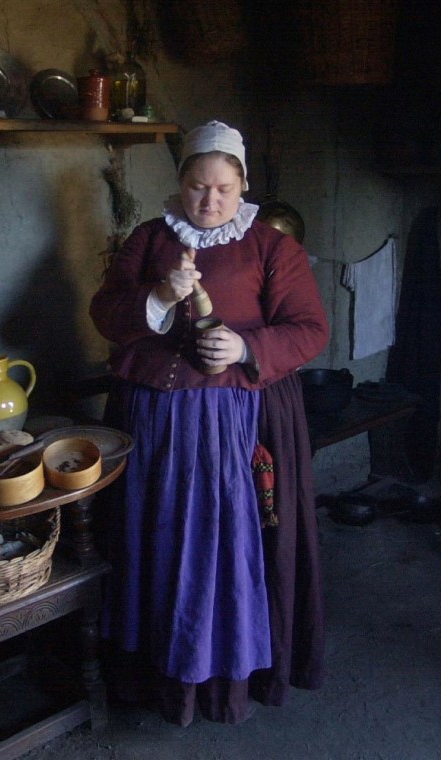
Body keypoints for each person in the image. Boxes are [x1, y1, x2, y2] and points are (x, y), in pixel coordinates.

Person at [89, 120, 329, 725]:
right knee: (156, 540)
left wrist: (244, 348)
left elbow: (309, 329)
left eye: (223, 188)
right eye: (198, 187)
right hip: (152, 422)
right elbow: (106, 313)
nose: (210, 201)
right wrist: (159, 298)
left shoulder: (272, 247)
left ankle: (220, 680)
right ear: (180, 184)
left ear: (242, 185)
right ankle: (154, 673)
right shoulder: (148, 239)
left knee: (221, 546)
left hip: (231, 425)